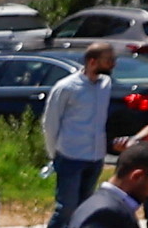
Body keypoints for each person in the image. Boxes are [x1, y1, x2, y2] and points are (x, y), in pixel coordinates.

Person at [36, 37, 123, 213]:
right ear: (92, 62)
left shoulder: (105, 84)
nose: (113, 65)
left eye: (114, 60)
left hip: (96, 157)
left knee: (85, 209)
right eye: (108, 61)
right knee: (65, 210)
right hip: (71, 157)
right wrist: (55, 155)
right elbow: (50, 123)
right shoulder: (66, 87)